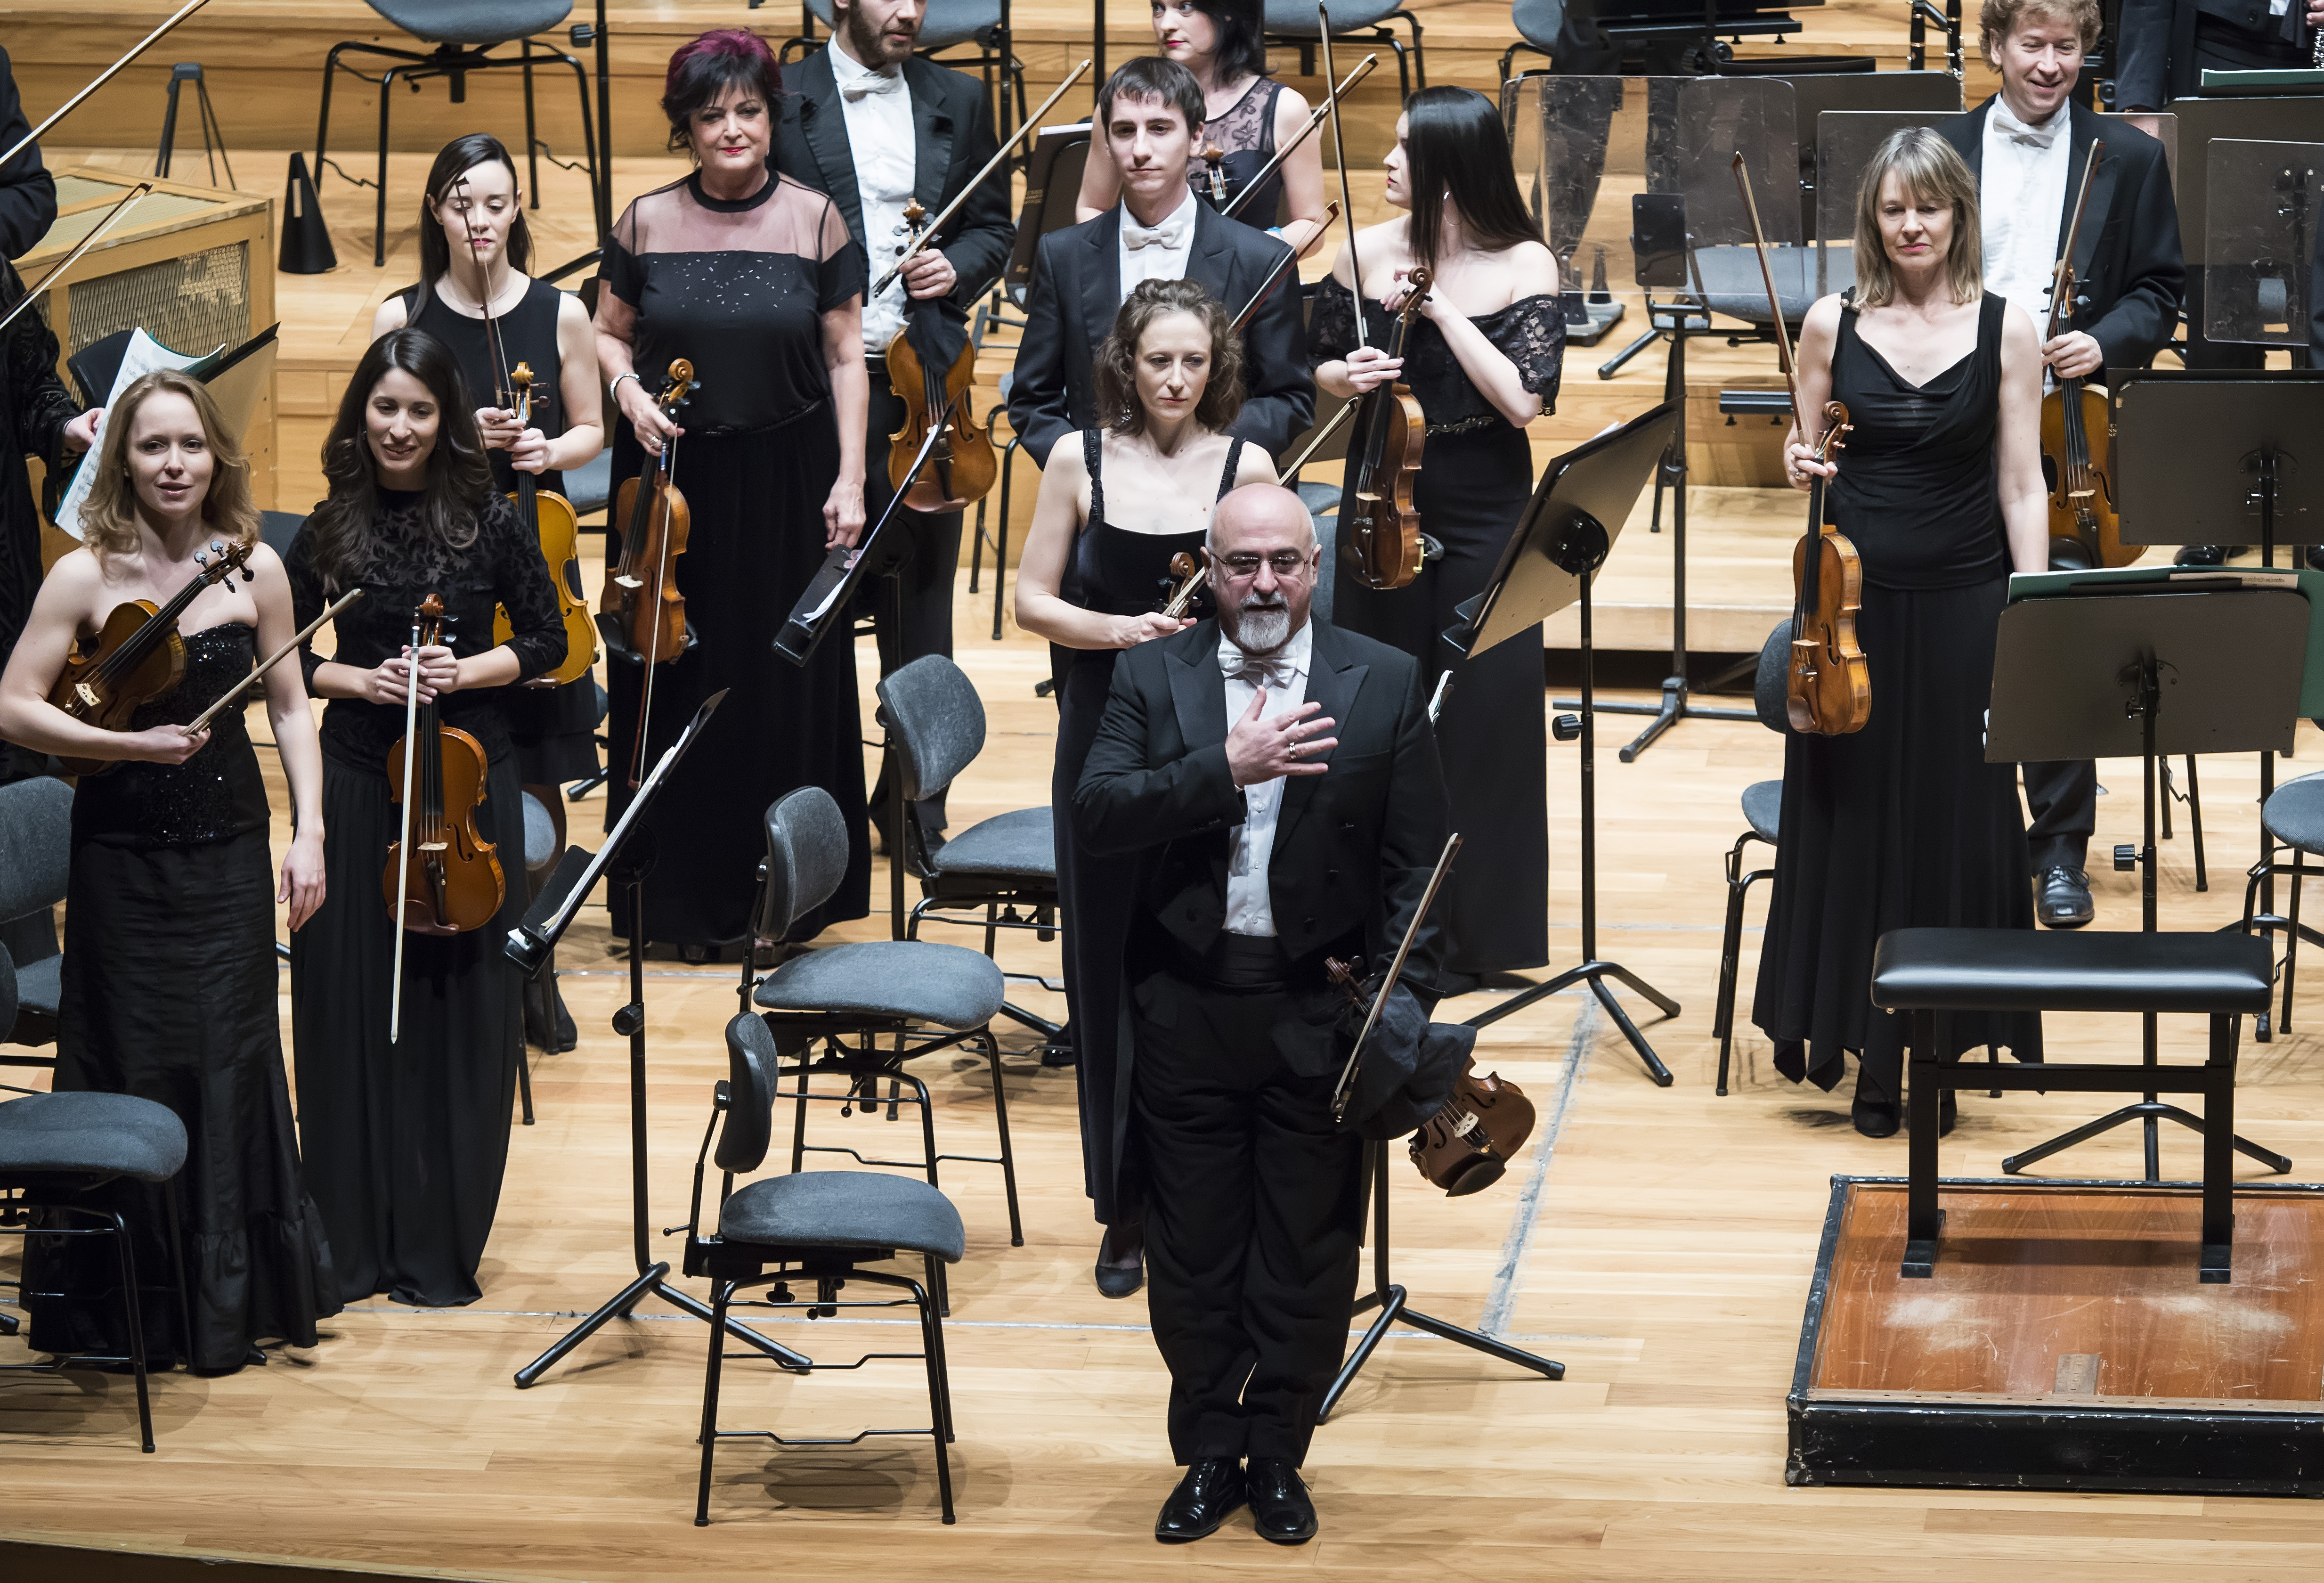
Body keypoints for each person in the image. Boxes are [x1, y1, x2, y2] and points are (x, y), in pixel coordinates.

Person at [1074, 481, 1448, 1547]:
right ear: (1208, 570)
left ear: (1314, 567)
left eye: (1284, 561)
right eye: (1240, 564)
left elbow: (1418, 869)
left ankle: (1277, 1452)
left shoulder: (1381, 682)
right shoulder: (1153, 673)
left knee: (1305, 1247)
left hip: (1315, 1014)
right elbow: (1096, 812)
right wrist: (1220, 771)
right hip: (1187, 1007)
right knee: (1193, 1249)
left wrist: (1394, 1010)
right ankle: (1207, 1451)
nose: (1264, 583)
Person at [0, 370, 338, 1373]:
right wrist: (126, 747)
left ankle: (230, 1300)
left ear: (216, 455)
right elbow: (15, 705)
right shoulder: (82, 575)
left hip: (229, 852)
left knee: (232, 1058)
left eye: (190, 444)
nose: (175, 464)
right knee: (128, 1055)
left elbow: (290, 706)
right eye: (153, 446)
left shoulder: (255, 569)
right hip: (119, 863)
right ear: (124, 460)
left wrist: (311, 832)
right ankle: (123, 1302)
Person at [1753, 128, 2050, 1138]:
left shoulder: (2007, 328)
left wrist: (2029, 610)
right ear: (1871, 220)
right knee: (1858, 818)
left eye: (1928, 207)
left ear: (1958, 214)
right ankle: (1863, 1045)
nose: (1911, 225)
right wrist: (1796, 462)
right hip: (1852, 614)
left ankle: (1938, 1044)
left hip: (1966, 603)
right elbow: (1802, 450)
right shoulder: (1828, 323)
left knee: (1954, 819)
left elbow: (2021, 482)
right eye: (1893, 209)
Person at [286, 327, 565, 1306]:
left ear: (445, 419)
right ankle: (349, 1239)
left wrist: (465, 668)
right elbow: (281, 662)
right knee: (349, 1006)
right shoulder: (328, 529)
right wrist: (359, 679)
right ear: (360, 414)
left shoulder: (490, 522)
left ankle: (438, 1239)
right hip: (361, 777)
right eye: (384, 407)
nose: (399, 427)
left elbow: (548, 641)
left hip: (463, 787)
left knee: (458, 1013)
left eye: (418, 410)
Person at [1016, 278, 1276, 1299]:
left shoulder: (1246, 464)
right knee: (1106, 970)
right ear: (1125, 364)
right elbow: (1032, 599)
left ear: (1217, 368)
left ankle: (1209, 1192)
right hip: (1103, 734)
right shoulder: (1076, 458)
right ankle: (1123, 1207)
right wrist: (1118, 631)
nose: (1175, 380)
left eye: (1193, 362)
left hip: (1216, 737)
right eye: (1157, 361)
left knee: (1208, 958)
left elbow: (1274, 600)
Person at [598, 29, 870, 954]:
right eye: (711, 114)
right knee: (671, 681)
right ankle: (671, 901)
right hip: (672, 484)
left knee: (776, 691)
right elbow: (607, 333)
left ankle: (784, 899)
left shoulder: (815, 220)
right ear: (685, 125)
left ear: (770, 117)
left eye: (748, 111)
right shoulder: (643, 221)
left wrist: (851, 477)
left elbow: (846, 355)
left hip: (789, 481)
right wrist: (627, 391)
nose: (732, 129)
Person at [1308, 85, 1564, 984]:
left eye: (1405, 150)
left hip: (1483, 499)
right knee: (1376, 706)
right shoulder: (1360, 251)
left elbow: (1523, 400)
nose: (1386, 161)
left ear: (1450, 175)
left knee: (1485, 711)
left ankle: (1479, 939)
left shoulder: (1523, 264)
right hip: (1381, 493)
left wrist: (1441, 310)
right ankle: (1371, 927)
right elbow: (1314, 364)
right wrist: (1343, 374)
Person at [1938, 0, 2184, 933]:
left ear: (2088, 52)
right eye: (2031, 45)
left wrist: (2103, 340)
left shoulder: (2127, 158)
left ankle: (2057, 850)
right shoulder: (1940, 151)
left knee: (2055, 617)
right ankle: (1956, 837)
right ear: (1994, 46)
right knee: (1949, 619)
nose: (2049, 65)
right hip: (1950, 419)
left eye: (2067, 48)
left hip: (2060, 435)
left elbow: (2158, 290)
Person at [372, 132, 606, 1050]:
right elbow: (372, 444)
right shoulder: (402, 317)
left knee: (540, 775)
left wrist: (548, 448)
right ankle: (453, 953)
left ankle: (531, 964)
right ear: (437, 211)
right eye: (462, 202)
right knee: (447, 771)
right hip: (440, 572)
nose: (479, 220)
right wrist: (451, 435)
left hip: (535, 565)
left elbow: (589, 429)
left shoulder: (561, 312)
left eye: (496, 203)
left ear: (516, 211)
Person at [773, 0, 1014, 850]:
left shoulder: (960, 96)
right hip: (816, 387)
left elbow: (995, 229)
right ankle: (813, 801)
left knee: (924, 605)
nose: (911, 10)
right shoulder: (779, 97)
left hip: (924, 387)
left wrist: (959, 266)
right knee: (814, 596)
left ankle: (914, 804)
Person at [1009, 56, 1313, 469]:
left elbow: (1288, 399)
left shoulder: (1263, 259)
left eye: (1159, 128)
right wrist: (1089, 469)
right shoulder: (1062, 255)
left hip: (1214, 487)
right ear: (1106, 143)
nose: (1140, 150)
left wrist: (1202, 456)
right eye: (1124, 131)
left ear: (1196, 137)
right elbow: (1033, 401)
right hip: (1099, 487)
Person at [1075, 0, 1330, 259]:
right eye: (1158, 8)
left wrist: (1246, 252)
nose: (1166, 25)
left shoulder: (1285, 108)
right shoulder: (1121, 108)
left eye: (1185, 7)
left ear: (1227, 11)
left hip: (1244, 275)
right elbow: (1092, 208)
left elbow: (1312, 226)